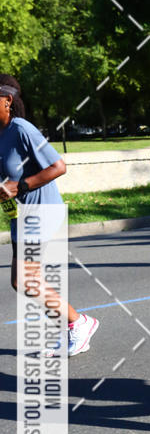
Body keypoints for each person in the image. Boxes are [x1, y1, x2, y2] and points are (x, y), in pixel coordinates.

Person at [0, 74, 98, 356]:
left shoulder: (21, 129)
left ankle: (79, 323)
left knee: (25, 281)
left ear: (8, 101)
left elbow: (58, 166)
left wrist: (19, 186)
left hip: (42, 211)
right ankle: (75, 324)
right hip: (21, 215)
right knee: (24, 282)